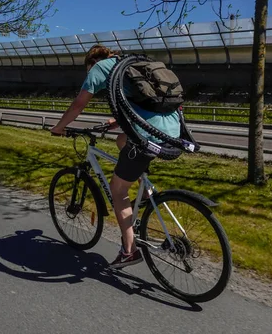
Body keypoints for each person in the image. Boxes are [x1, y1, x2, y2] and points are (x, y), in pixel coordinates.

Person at [50, 45, 181, 268]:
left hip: (147, 134)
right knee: (122, 140)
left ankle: (129, 251)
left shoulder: (98, 68)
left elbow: (79, 104)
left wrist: (59, 127)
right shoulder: (130, 64)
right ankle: (147, 192)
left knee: (118, 189)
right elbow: (145, 102)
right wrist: (118, 122)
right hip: (172, 130)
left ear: (91, 62)